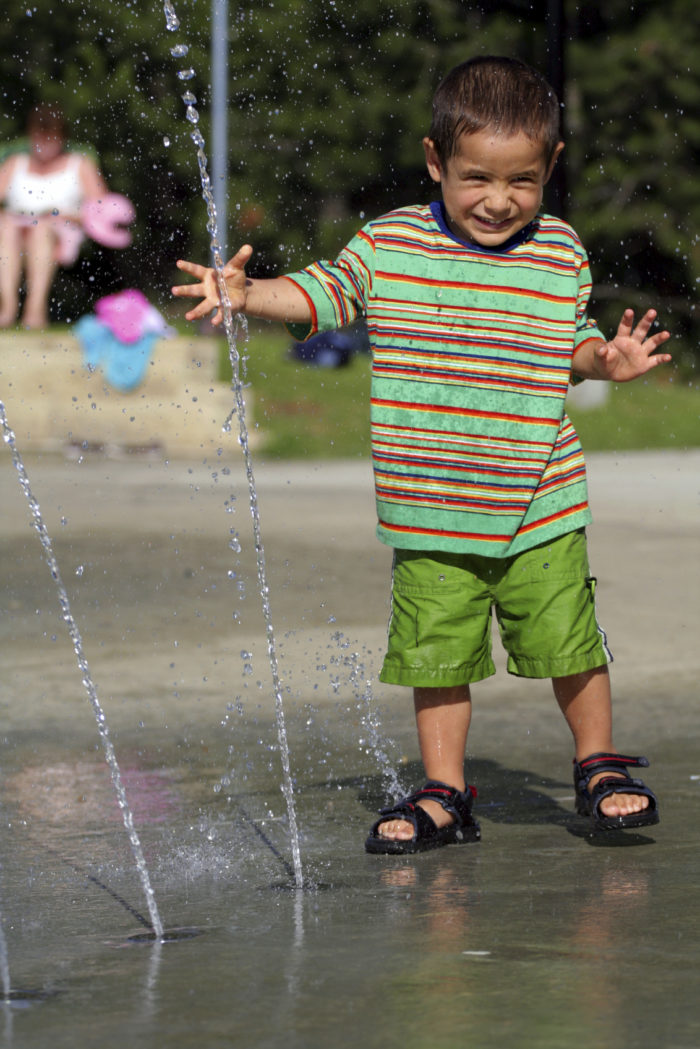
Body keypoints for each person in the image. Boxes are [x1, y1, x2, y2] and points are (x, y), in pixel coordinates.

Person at [172, 56, 671, 853]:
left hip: (541, 495)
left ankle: (598, 764)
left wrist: (603, 361)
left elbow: (569, 341)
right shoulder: (390, 243)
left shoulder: (560, 251)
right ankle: (445, 790)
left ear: (551, 168)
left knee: (570, 641)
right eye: (477, 178)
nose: (500, 201)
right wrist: (248, 294)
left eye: (523, 182)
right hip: (430, 504)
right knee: (437, 653)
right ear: (436, 160)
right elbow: (326, 292)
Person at [0, 103, 107, 329]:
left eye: (50, 137)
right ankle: (7, 308)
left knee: (41, 228)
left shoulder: (80, 164)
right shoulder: (14, 163)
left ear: (62, 137)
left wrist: (66, 215)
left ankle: (34, 310)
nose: (44, 144)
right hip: (14, 230)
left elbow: (102, 209)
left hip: (61, 230)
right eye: (39, 138)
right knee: (6, 225)